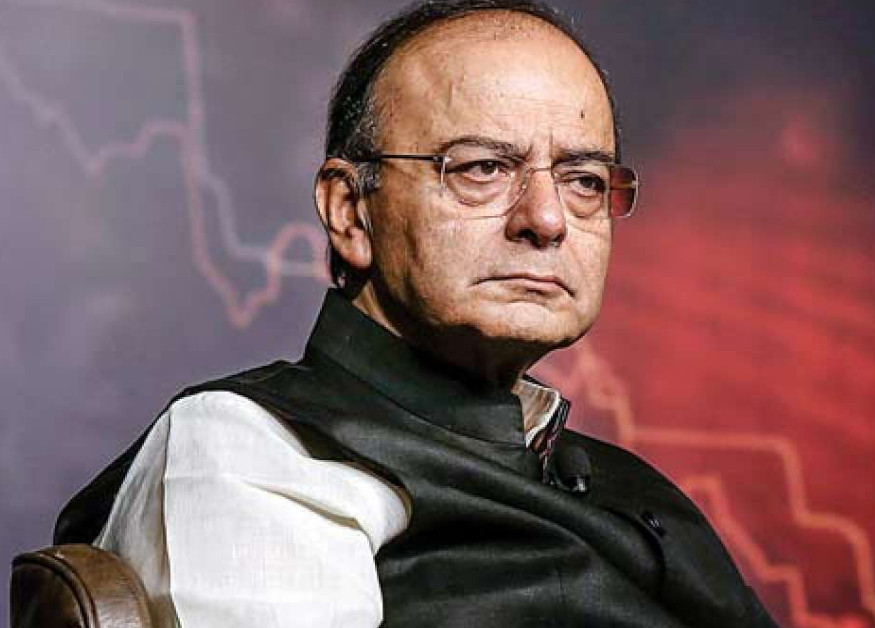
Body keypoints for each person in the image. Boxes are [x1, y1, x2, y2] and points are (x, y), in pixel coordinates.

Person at [54, 1, 779, 626]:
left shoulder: (638, 491)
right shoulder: (254, 449)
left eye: (584, 180)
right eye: (482, 168)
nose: (547, 218)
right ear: (350, 211)